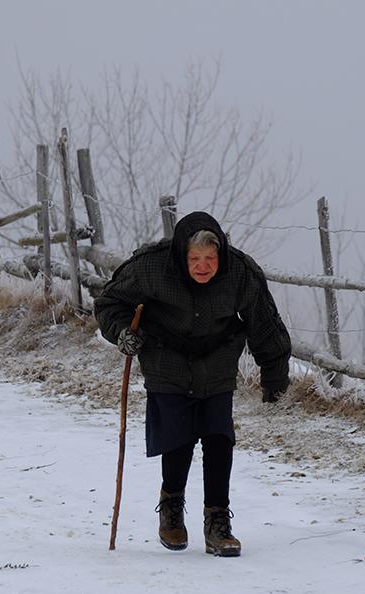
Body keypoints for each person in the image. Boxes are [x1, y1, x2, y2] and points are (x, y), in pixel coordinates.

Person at [94, 211, 291, 557]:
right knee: (178, 437)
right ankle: (171, 507)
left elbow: (265, 323)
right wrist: (124, 333)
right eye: (195, 259)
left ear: (221, 255)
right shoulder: (152, 267)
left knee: (218, 438)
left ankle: (218, 523)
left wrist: (273, 373)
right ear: (182, 256)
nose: (203, 266)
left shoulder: (239, 273)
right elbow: (110, 303)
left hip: (216, 365)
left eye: (210, 258)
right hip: (165, 361)